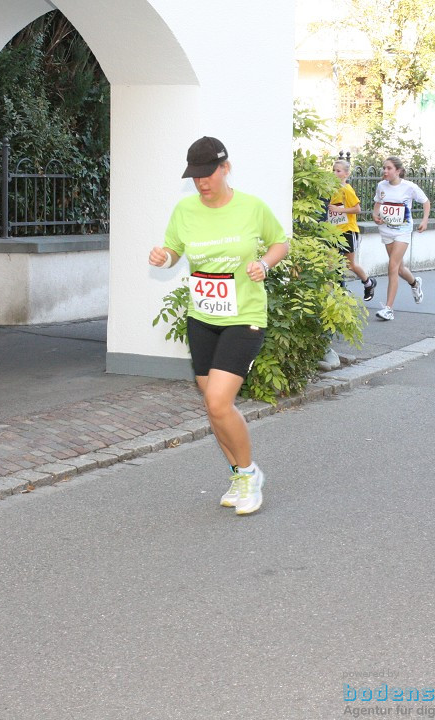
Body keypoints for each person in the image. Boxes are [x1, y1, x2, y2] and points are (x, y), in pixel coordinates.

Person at [148, 136, 289, 515]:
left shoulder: (252, 207)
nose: (201, 183)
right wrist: (164, 257)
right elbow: (174, 251)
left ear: (225, 168)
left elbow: (279, 242)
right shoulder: (184, 211)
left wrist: (266, 264)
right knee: (215, 409)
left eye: (207, 174)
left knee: (217, 400)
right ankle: (239, 475)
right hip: (203, 318)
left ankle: (249, 473)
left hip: (244, 317)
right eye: (195, 176)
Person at [371, 156, 430, 321]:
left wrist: (424, 220)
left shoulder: (409, 187)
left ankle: (388, 309)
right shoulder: (381, 186)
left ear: (398, 171)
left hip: (403, 231)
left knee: (392, 266)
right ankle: (415, 283)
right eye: (384, 168)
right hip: (386, 230)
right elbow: (377, 204)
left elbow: (426, 202)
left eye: (389, 168)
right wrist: (375, 216)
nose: (385, 171)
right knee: (399, 268)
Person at [328, 159, 376, 301]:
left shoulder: (347, 190)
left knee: (350, 264)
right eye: (334, 170)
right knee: (332, 262)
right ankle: (338, 292)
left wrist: (338, 209)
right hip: (334, 232)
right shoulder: (332, 189)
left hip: (348, 230)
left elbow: (357, 209)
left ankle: (368, 282)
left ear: (346, 174)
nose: (335, 173)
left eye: (338, 171)